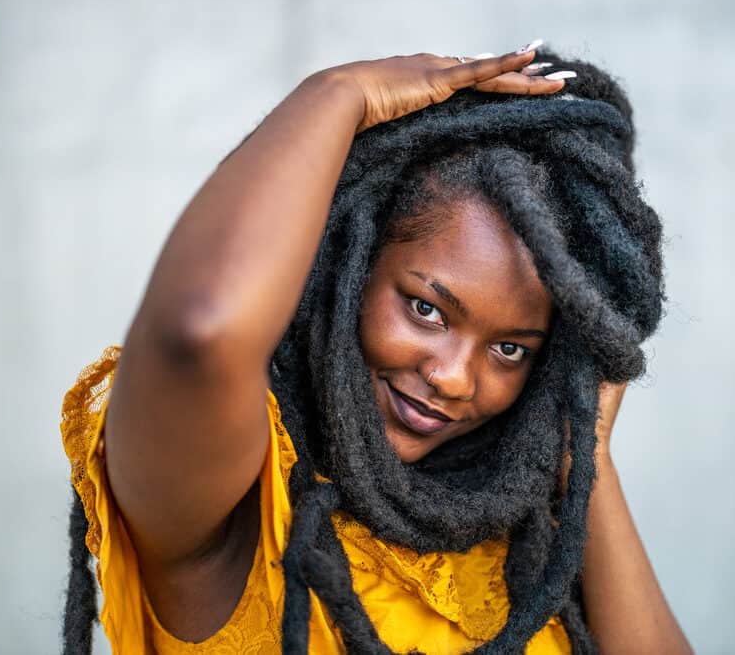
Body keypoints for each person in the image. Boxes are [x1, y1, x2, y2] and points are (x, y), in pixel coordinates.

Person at [59, 40, 693, 654]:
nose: (452, 378)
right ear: (345, 267)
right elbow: (202, 331)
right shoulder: (236, 506)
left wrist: (587, 453)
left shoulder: (527, 538)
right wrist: (341, 94)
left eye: (510, 350)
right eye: (426, 309)